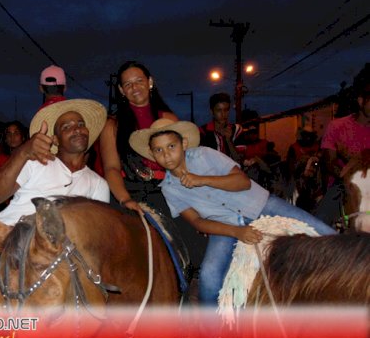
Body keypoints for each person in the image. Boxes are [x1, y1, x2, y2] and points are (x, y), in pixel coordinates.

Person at [128, 119, 337, 305]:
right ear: (152, 154)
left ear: (183, 144)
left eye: (171, 146)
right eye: (159, 150)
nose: (166, 154)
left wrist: (201, 180)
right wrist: (236, 232)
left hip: (260, 204)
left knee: (325, 232)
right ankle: (213, 335)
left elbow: (243, 182)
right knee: (209, 278)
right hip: (224, 224)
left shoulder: (205, 155)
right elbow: (198, 222)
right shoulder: (169, 188)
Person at [0, 99, 110, 275]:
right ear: (55, 139)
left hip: (48, 266)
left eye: (80, 124)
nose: (77, 128)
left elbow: (96, 240)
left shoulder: (98, 184)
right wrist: (23, 152)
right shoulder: (36, 162)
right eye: (66, 127)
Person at [99, 60, 206, 270]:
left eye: (139, 81)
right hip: (128, 190)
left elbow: (183, 164)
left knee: (192, 247)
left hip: (166, 191)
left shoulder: (169, 119)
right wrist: (125, 199)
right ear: (121, 90)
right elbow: (111, 168)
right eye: (127, 84)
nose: (134, 87)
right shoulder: (112, 125)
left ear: (149, 82)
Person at [315, 82, 370, 226]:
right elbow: (329, 162)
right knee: (320, 220)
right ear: (361, 101)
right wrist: (348, 178)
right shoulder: (337, 126)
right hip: (343, 185)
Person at [199, 92, 243, 163]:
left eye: (226, 110)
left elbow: (239, 160)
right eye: (219, 110)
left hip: (234, 172)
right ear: (212, 111)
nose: (223, 114)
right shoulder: (203, 131)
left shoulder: (236, 129)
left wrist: (228, 140)